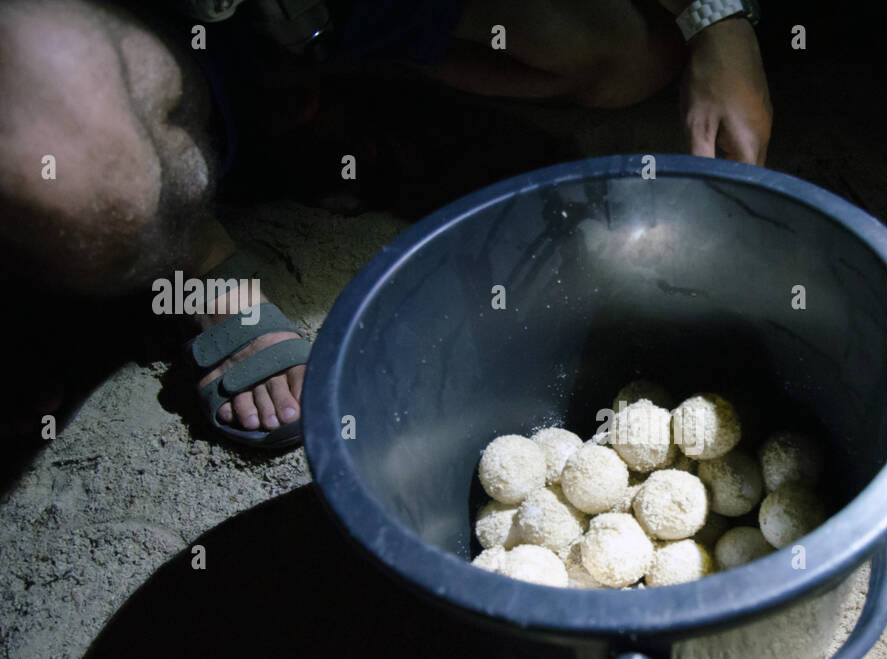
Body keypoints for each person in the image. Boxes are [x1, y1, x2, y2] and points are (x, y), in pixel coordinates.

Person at [0, 0, 772, 448]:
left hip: (312, 7)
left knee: (632, 47)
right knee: (84, 174)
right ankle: (201, 261)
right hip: (143, 19)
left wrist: (717, 18)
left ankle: (331, 75)